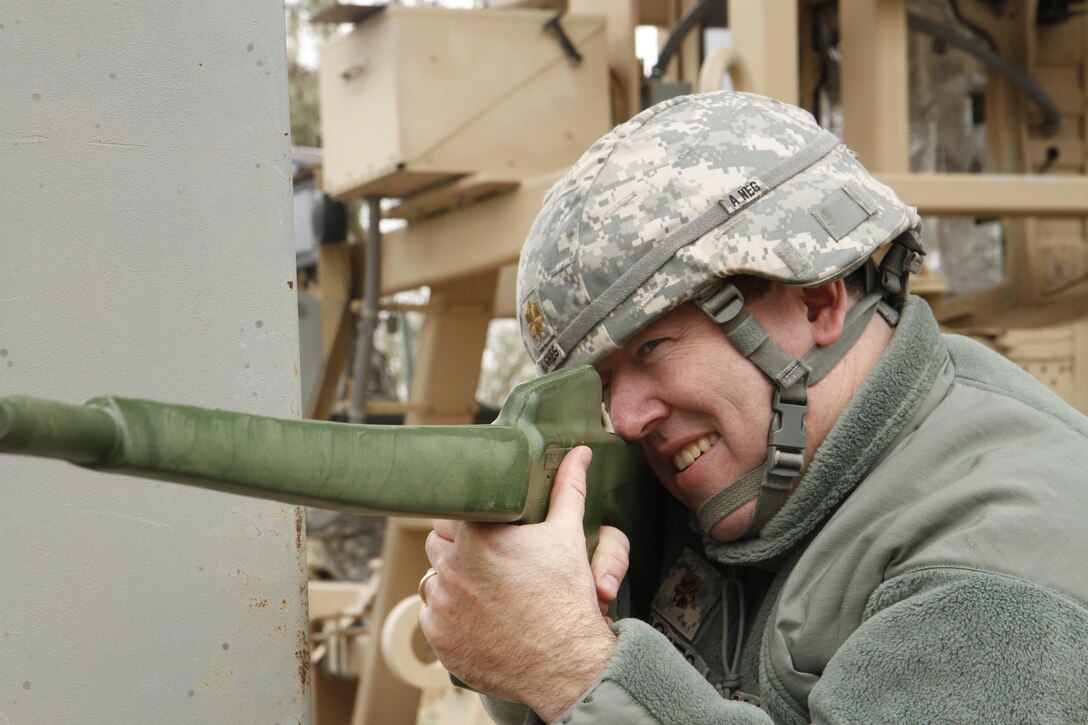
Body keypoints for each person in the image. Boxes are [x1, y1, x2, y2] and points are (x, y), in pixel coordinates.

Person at [417, 91, 1088, 724]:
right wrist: (515, 627)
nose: (623, 418)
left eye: (651, 348)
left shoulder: (1002, 565)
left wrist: (568, 667)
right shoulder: (751, 479)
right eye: (602, 380)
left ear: (816, 300)